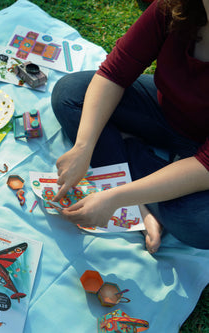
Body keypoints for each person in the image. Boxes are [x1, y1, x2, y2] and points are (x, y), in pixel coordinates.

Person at [51, 0, 209, 253]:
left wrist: (116, 197)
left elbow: (206, 165)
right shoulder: (172, 8)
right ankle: (145, 194)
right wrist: (83, 146)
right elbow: (114, 72)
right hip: (164, 110)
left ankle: (128, 160)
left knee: (199, 223)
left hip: (203, 156)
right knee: (71, 94)